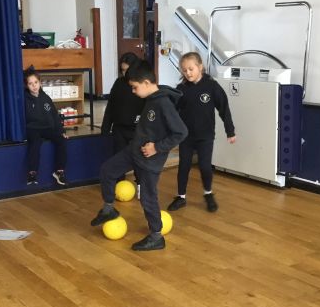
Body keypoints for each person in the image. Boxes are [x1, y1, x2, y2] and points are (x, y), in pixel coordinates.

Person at [91, 59, 188, 251]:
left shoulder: (164, 104)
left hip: (150, 161)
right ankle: (108, 209)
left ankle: (156, 236)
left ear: (146, 83)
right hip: (133, 151)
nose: (133, 91)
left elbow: (181, 132)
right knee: (107, 170)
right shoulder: (150, 98)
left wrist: (157, 147)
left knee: (147, 199)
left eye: (135, 87)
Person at [167, 51, 236, 213]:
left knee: (205, 166)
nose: (188, 73)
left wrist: (230, 131)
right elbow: (172, 111)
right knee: (184, 166)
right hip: (186, 136)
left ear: (200, 67)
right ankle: (181, 197)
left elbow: (224, 109)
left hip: (205, 136)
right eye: (184, 70)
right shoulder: (181, 89)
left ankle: (208, 193)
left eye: (191, 69)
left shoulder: (211, 86)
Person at [101, 52, 145, 193]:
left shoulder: (142, 84)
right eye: (123, 70)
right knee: (119, 159)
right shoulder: (118, 83)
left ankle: (141, 186)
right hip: (119, 129)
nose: (125, 73)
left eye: (128, 70)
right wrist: (105, 127)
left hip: (136, 130)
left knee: (138, 160)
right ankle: (119, 186)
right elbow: (111, 106)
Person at [24, 67, 67, 186]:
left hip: (47, 128)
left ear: (40, 83)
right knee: (35, 143)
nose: (34, 86)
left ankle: (59, 171)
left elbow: (54, 115)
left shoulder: (46, 98)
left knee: (61, 140)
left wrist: (61, 131)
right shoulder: (24, 99)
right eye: (30, 83)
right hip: (33, 129)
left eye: (36, 82)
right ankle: (32, 173)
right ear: (27, 85)